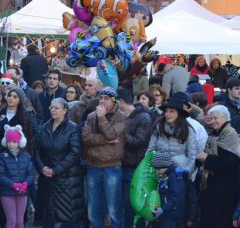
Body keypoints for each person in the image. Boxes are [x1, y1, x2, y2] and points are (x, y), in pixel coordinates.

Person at [81, 87, 127, 228]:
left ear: (113, 100)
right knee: (93, 210)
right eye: (100, 98)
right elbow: (85, 138)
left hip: (112, 167)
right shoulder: (91, 116)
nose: (102, 101)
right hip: (93, 166)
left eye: (106, 98)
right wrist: (106, 141)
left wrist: (101, 117)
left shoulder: (121, 116)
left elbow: (112, 134)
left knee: (114, 209)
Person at [34, 98, 84, 227]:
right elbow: (37, 150)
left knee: (66, 216)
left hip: (66, 179)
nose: (52, 110)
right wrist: (42, 167)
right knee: (47, 214)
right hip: (46, 179)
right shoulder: (44, 127)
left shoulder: (72, 129)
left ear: (65, 110)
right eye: (51, 107)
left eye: (56, 108)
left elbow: (74, 153)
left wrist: (56, 170)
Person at [197, 105, 240, 228]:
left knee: (220, 218)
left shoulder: (229, 133)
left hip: (226, 185)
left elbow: (229, 162)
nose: (212, 121)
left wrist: (207, 158)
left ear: (225, 118)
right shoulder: (215, 133)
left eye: (215, 118)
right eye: (211, 118)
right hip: (213, 183)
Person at [116, 88, 152, 227]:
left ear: (121, 102)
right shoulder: (124, 115)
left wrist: (120, 134)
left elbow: (139, 142)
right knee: (122, 205)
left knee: (131, 205)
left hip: (135, 168)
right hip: (121, 165)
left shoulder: (143, 117)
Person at [0, 125, 35, 228]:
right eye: (9, 141)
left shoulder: (26, 156)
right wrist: (13, 184)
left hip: (22, 192)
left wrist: (26, 183)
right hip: (7, 193)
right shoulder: (2, 157)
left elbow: (31, 174)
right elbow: (0, 175)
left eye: (14, 141)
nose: (11, 144)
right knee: (11, 221)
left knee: (20, 221)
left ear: (19, 142)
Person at [148, 99, 198, 174]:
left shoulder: (188, 130)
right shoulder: (158, 127)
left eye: (171, 111)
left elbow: (193, 156)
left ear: (179, 113)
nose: (167, 114)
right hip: (159, 170)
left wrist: (186, 172)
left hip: (179, 171)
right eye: (166, 111)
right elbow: (150, 150)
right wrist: (148, 166)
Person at [151, 152, 193, 228]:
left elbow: (176, 198)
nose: (157, 171)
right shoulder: (165, 175)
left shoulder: (174, 177)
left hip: (173, 216)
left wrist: (162, 209)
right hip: (167, 214)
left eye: (158, 169)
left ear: (165, 166)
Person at [0, 88, 36, 155]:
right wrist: (1, 125)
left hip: (19, 153)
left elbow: (29, 137)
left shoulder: (25, 116)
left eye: (15, 97)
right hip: (1, 152)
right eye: (9, 95)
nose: (11, 98)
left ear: (20, 100)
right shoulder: (0, 113)